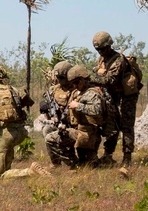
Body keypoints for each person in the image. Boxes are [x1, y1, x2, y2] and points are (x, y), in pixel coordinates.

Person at [89, 31, 141, 166]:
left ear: (109, 45)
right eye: (97, 49)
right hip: (113, 96)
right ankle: (108, 155)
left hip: (127, 96)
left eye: (102, 48)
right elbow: (99, 74)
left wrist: (91, 80)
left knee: (126, 125)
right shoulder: (101, 60)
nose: (100, 52)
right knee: (111, 124)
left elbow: (110, 80)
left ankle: (127, 158)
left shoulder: (119, 60)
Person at [66, 64, 114, 167]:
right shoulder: (79, 93)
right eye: (72, 83)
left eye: (76, 82)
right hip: (82, 132)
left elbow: (97, 110)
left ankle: (103, 161)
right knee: (86, 163)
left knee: (90, 164)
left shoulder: (92, 93)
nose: (75, 86)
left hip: (90, 134)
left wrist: (78, 106)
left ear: (84, 79)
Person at [40, 61, 77, 166]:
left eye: (62, 78)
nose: (60, 81)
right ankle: (56, 163)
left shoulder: (77, 88)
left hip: (75, 125)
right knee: (47, 129)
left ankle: (73, 161)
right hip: (60, 123)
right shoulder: (54, 90)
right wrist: (45, 109)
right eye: (58, 78)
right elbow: (51, 115)